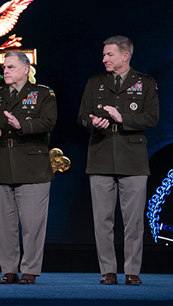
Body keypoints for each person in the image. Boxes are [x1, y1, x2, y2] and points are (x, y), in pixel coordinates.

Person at [77, 36, 159, 286]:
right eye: (103, 55)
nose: (104, 59)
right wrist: (93, 122)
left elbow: (152, 118)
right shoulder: (95, 83)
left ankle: (132, 271)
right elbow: (81, 116)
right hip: (101, 156)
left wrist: (122, 118)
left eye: (109, 54)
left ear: (125, 56)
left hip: (133, 160)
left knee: (133, 221)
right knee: (103, 220)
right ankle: (108, 271)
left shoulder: (145, 83)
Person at [0, 51, 57, 285]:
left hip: (32, 164)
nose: (5, 71)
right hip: (3, 163)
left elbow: (48, 122)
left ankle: (30, 270)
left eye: (10, 67)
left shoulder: (43, 94)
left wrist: (21, 124)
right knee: (4, 224)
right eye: (4, 68)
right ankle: (9, 270)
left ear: (25, 69)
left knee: (32, 224)